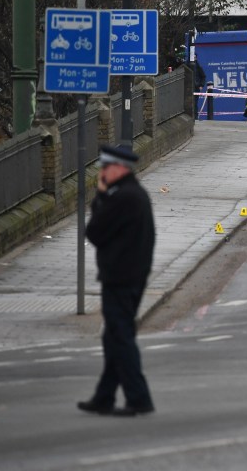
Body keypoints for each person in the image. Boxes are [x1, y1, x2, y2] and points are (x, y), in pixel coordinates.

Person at [78, 145, 156, 417]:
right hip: (131, 276)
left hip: (121, 278)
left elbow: (95, 231)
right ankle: (104, 397)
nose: (102, 173)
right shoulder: (133, 194)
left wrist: (99, 196)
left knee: (120, 338)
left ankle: (139, 398)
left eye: (105, 168)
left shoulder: (123, 198)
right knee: (114, 337)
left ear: (119, 168)